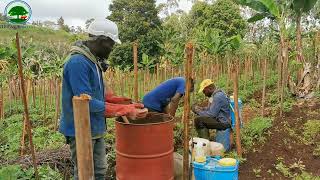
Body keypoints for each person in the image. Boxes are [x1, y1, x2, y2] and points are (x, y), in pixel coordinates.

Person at [59, 19, 146, 180]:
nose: (112, 48)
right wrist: (125, 110)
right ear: (101, 40)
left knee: (99, 171)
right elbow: (85, 102)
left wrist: (127, 103)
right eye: (111, 44)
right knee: (85, 174)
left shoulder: (93, 61)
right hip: (81, 129)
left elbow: (104, 95)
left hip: (95, 125)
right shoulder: (78, 62)